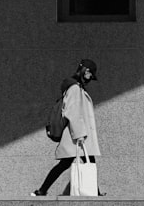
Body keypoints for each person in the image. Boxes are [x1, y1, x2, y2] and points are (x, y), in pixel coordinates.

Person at [32, 59, 104, 196]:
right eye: (90, 75)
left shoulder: (76, 87)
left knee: (74, 163)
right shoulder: (75, 88)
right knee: (80, 163)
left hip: (77, 134)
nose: (90, 79)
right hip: (77, 135)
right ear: (86, 71)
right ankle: (42, 190)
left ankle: (42, 190)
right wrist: (79, 135)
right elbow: (72, 112)